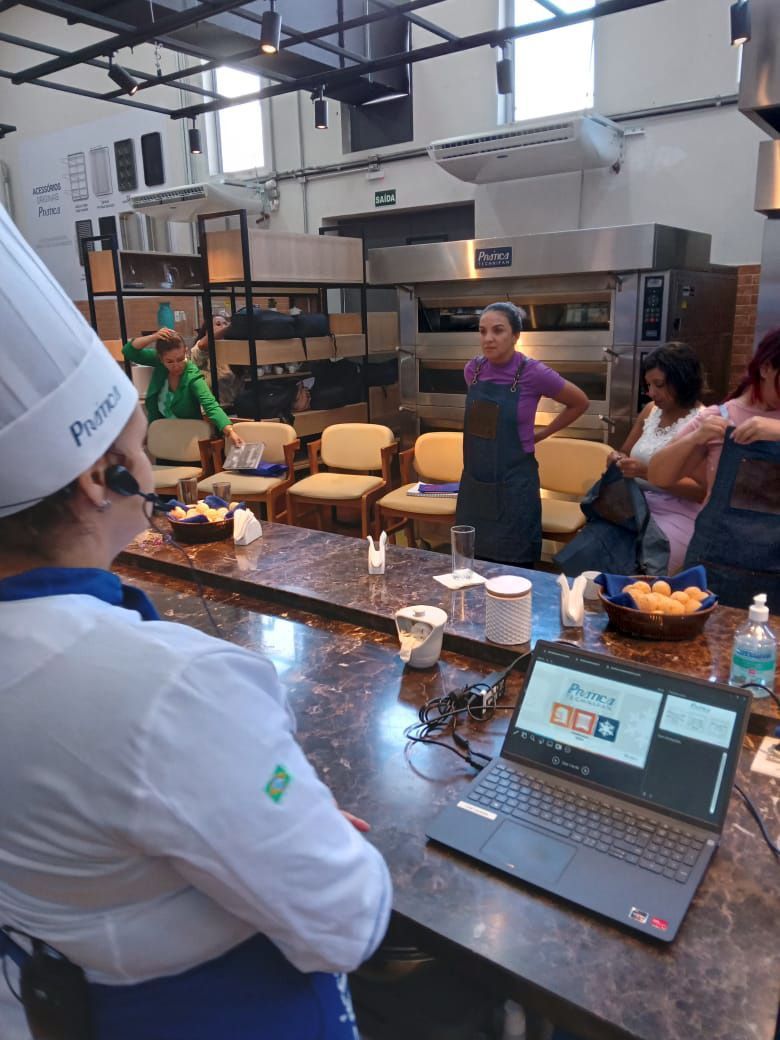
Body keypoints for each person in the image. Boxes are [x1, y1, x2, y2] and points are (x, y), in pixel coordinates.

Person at [0, 204, 391, 1038]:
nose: (151, 461)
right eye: (139, 447)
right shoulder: (175, 689)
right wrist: (308, 827)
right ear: (100, 481)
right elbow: (347, 921)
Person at [455, 301, 589, 566]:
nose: (488, 339)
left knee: (514, 571)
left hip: (515, 487)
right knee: (472, 566)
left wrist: (544, 433)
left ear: (516, 335)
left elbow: (580, 402)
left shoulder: (534, 373)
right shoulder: (473, 370)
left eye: (498, 330)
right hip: (475, 486)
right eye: (482, 331)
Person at [603, 342, 707, 573]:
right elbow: (626, 451)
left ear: (683, 381)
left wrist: (646, 472)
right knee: (600, 547)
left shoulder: (702, 423)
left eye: (658, 385)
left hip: (678, 512)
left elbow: (701, 491)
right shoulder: (650, 410)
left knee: (644, 567)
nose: (651, 393)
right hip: (634, 503)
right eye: (648, 385)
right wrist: (616, 458)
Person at [648, 327, 780, 493]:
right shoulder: (718, 417)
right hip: (721, 519)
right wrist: (695, 438)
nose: (651, 392)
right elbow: (657, 476)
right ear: (766, 369)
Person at [123, 326, 244, 446]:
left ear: (185, 351)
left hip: (188, 440)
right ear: (160, 358)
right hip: (162, 436)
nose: (176, 365)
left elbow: (210, 405)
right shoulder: (158, 363)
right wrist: (153, 337)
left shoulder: (192, 375)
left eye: (180, 359)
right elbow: (128, 351)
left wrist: (230, 431)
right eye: (169, 361)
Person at [190, 311, 243, 411]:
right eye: (218, 324)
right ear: (206, 332)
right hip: (211, 410)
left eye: (225, 323)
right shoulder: (202, 353)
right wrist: (230, 327)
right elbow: (202, 345)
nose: (223, 326)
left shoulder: (232, 351)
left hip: (235, 408)